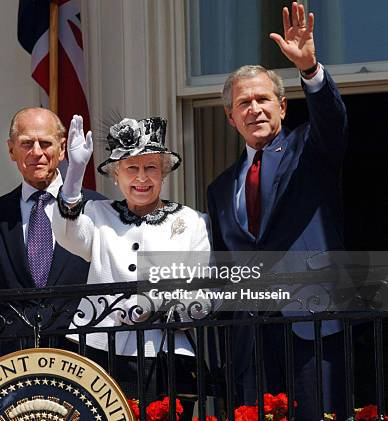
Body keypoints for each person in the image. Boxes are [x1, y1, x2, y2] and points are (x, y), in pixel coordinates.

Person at [206, 3, 348, 419]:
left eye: (264, 99)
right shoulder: (219, 189)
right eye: (244, 103)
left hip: (312, 326)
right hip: (250, 339)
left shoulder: (309, 150)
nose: (255, 109)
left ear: (283, 107)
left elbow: (333, 121)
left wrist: (310, 71)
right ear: (231, 117)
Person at [52, 114, 211, 420]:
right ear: (116, 175)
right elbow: (66, 234)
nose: (142, 178)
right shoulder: (97, 214)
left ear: (163, 173)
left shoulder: (191, 221)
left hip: (168, 354)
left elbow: (201, 288)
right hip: (101, 351)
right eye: (131, 168)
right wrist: (72, 176)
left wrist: (162, 305)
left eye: (151, 167)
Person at [0, 107, 104, 363]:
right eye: (27, 143)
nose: (37, 152)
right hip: (12, 363)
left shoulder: (98, 210)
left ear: (63, 148)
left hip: (83, 360)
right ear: (11, 150)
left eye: (46, 143)